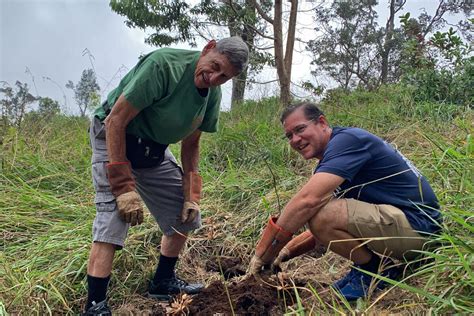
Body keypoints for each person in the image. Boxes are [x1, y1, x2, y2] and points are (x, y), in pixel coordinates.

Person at [84, 36, 249, 315]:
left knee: (184, 215)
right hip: (114, 137)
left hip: (153, 150)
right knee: (113, 219)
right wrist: (123, 186)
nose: (214, 77)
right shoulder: (164, 66)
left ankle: (163, 282)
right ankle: (95, 305)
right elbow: (115, 121)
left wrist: (191, 195)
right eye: (215, 66)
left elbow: (192, 144)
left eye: (224, 77)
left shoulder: (211, 95)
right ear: (209, 48)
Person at [248, 102, 442, 301]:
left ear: (322, 122)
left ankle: (373, 272)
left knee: (317, 211)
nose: (295, 139)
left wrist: (264, 253)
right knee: (319, 213)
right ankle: (366, 269)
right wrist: (286, 251)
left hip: (420, 229)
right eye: (289, 135)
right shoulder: (335, 157)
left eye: (300, 129)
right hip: (407, 227)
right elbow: (327, 227)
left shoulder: (347, 142)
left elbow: (308, 203)